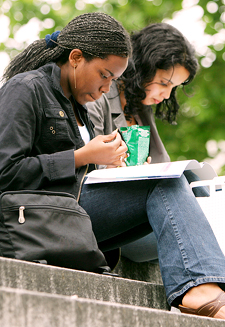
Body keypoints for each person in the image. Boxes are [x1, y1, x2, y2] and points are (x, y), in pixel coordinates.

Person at [0, 14, 225, 320]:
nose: (107, 88)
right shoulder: (26, 88)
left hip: (75, 215)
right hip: (41, 214)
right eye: (104, 75)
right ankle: (200, 292)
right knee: (164, 184)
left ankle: (205, 287)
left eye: (113, 79)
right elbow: (6, 171)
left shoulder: (75, 102)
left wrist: (112, 164)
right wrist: (80, 157)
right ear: (76, 58)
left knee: (180, 188)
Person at [86, 22, 209, 263]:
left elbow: (166, 172)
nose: (166, 95)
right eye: (164, 83)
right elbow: (82, 167)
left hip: (143, 217)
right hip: (104, 216)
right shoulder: (97, 96)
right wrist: (116, 169)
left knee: (195, 183)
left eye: (173, 88)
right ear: (142, 66)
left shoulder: (141, 110)